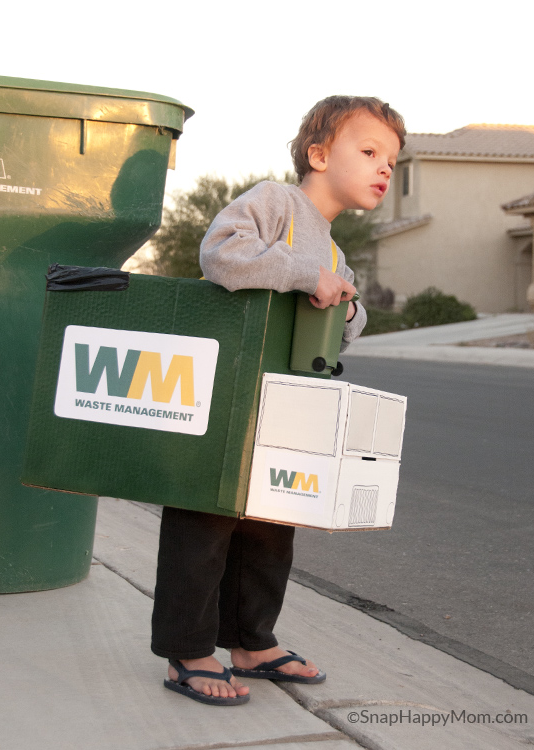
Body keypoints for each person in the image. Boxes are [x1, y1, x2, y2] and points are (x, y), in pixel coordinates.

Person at [151, 95, 406, 706]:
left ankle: (251, 640)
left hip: (282, 408)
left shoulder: (334, 246)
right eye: (369, 152)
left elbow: (345, 318)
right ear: (318, 155)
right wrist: (303, 275)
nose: (384, 168)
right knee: (205, 515)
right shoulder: (277, 203)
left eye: (392, 162)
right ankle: (187, 650)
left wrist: (346, 303)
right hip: (226, 396)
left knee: (270, 521)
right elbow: (222, 253)